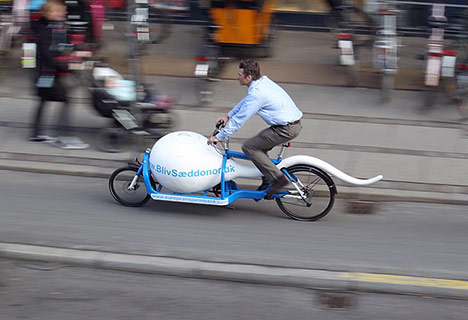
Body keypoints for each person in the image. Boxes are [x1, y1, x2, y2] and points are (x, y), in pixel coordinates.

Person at [207, 59, 303, 198]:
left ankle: (278, 179)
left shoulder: (257, 94)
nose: (237, 77)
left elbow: (240, 121)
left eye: (239, 74)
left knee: (249, 147)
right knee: (259, 149)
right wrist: (228, 116)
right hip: (290, 124)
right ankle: (267, 178)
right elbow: (246, 101)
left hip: (285, 129)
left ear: (248, 77)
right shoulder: (262, 82)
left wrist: (219, 137)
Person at [29, 0, 89, 149]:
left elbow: (61, 44)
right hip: (46, 75)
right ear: (49, 14)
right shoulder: (45, 31)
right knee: (65, 99)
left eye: (63, 11)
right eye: (60, 11)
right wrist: (67, 65)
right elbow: (47, 54)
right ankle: (65, 137)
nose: (64, 13)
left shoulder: (54, 27)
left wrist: (78, 49)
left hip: (46, 74)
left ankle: (37, 134)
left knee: (44, 100)